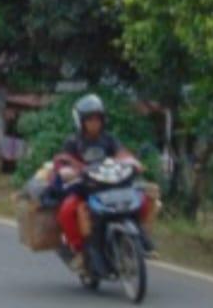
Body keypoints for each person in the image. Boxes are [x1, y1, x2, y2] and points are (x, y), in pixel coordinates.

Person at [54, 94, 152, 274]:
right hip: (86, 189)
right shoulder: (73, 142)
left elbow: (122, 154)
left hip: (112, 186)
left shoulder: (109, 139)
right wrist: (67, 171)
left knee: (143, 198)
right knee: (67, 210)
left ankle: (141, 233)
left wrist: (132, 162)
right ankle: (79, 251)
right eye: (89, 119)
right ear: (81, 121)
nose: (94, 123)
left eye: (97, 119)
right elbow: (63, 160)